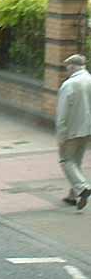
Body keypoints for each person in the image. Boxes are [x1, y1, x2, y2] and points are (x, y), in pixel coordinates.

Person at [56, 54, 91, 210]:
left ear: (72, 67)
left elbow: (62, 113)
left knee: (66, 161)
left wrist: (61, 136)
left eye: (67, 67)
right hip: (87, 129)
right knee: (76, 162)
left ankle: (83, 188)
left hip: (71, 131)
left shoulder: (69, 85)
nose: (66, 70)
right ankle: (72, 195)